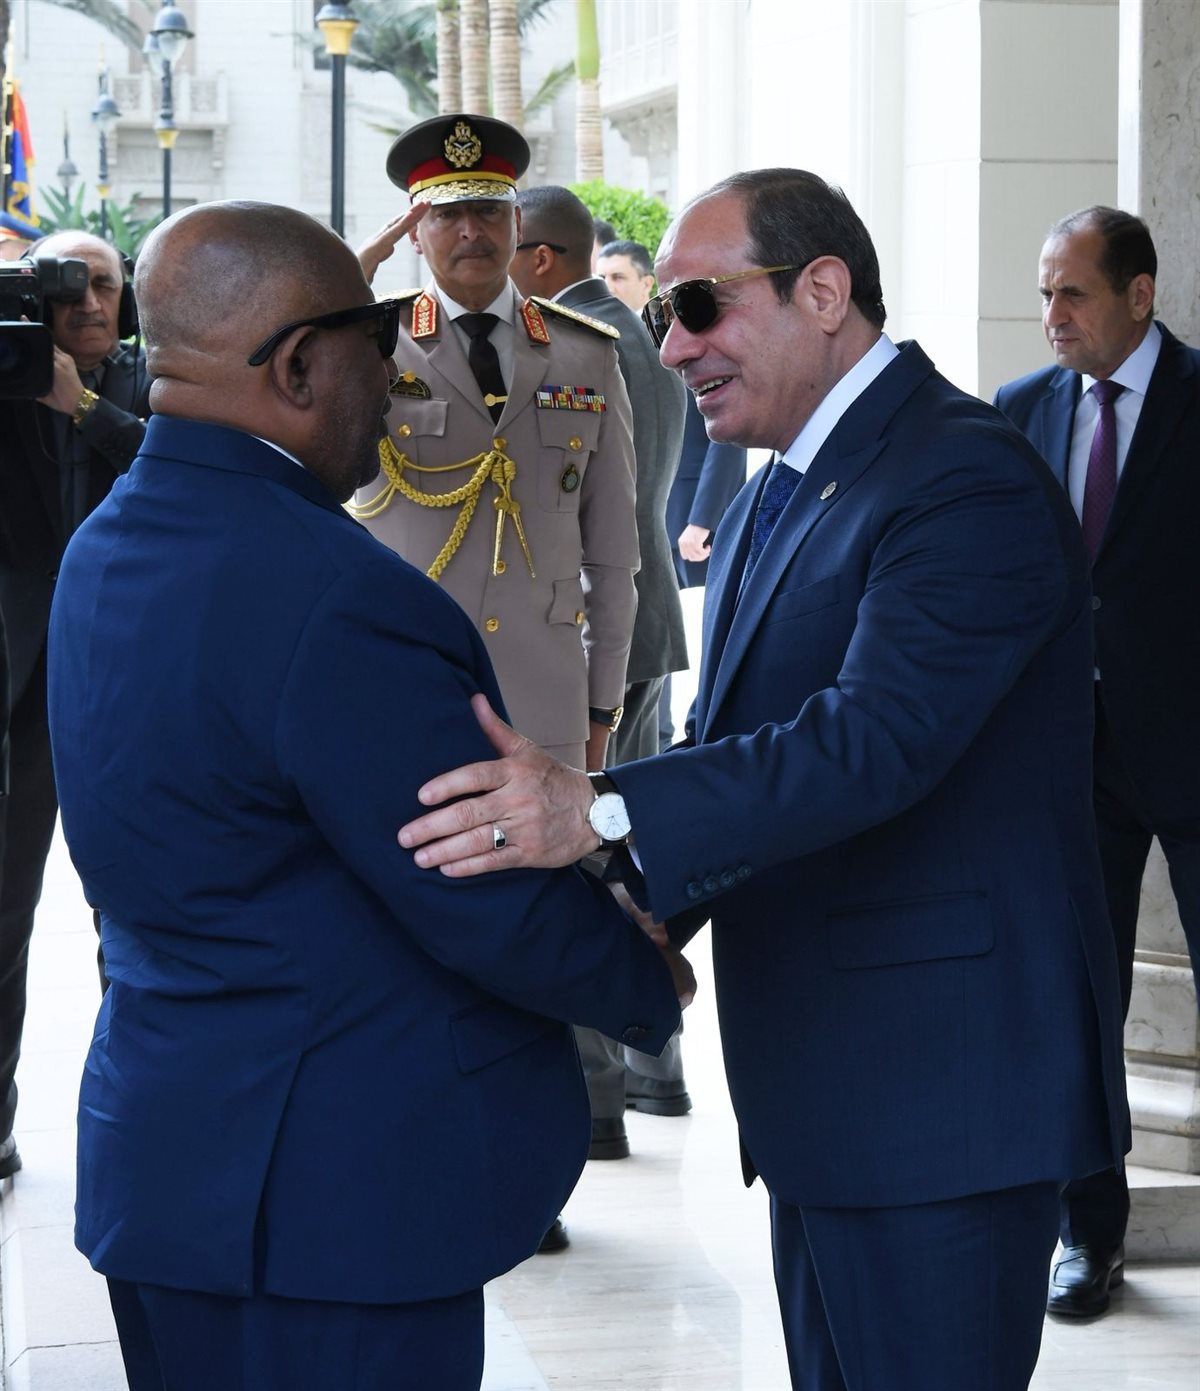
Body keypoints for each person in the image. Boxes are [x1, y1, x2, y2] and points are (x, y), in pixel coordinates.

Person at [397, 167, 1130, 1391]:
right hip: (825, 1097)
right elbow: (737, 748)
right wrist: (617, 911)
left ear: (824, 292)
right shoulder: (765, 500)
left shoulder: (963, 477)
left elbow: (873, 740)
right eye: (663, 315)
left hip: (943, 1097)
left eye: (699, 306)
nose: (672, 346)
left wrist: (599, 805)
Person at [46, 199, 687, 1391]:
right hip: (340, 1199)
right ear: (298, 364)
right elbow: (468, 871)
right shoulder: (334, 591)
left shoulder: (104, 546)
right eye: (376, 336)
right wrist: (643, 969)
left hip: (167, 1168)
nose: (394, 371)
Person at [353, 115, 638, 1247]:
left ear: (519, 226)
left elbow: (617, 556)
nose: (470, 230)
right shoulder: (370, 339)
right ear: (414, 229)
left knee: (538, 949)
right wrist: (352, 281)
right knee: (409, 941)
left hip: (546, 702)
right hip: (408, 697)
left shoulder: (585, 353)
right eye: (448, 213)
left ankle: (532, 1178)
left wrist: (603, 711)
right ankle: (423, 1154)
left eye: (488, 210)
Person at [993, 205, 1200, 1320]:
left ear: (1140, 294)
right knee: (1082, 998)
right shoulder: (1021, 409)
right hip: (1069, 756)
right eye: (1044, 293)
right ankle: (1091, 1232)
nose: (1052, 315)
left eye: (1073, 292)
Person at [511, 185, 691, 1157]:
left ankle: (598, 1092)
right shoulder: (640, 337)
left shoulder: (569, 345)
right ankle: (656, 1066)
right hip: (641, 627)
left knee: (583, 860)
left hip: (586, 639)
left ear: (541, 259)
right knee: (631, 851)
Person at [0, 229, 149, 1177]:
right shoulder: (3, 375)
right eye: (63, 287)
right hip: (17, 696)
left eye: (102, 284)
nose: (86, 303)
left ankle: (143, 1122)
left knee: (134, 920)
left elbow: (175, 468)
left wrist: (81, 404)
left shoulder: (152, 378)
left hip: (123, 689)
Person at [596, 237, 746, 747]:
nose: (609, 287)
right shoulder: (614, 340)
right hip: (653, 519)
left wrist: (703, 518)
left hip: (686, 515)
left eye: (618, 277)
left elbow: (725, 440)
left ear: (645, 283)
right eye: (603, 277)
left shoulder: (677, 340)